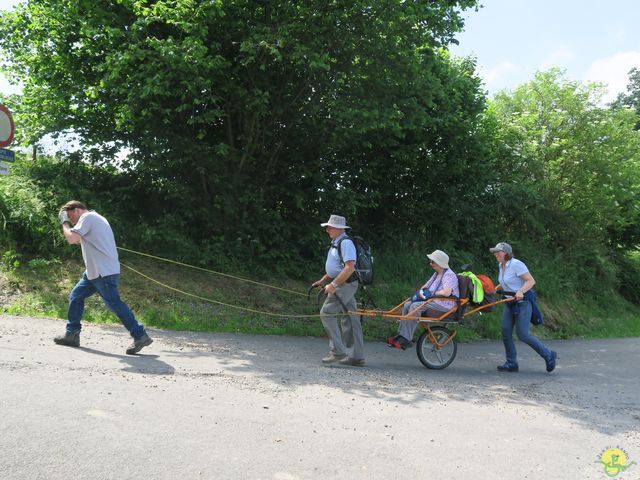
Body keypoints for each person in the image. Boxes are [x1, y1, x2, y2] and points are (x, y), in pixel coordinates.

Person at [53, 200, 153, 355]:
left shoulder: (88, 218)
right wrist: (68, 221)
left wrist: (64, 223)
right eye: (69, 219)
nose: (71, 220)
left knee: (115, 304)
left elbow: (71, 238)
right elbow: (77, 240)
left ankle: (140, 335)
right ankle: (72, 334)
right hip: (94, 272)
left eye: (71, 216)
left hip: (102, 272)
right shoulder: (94, 218)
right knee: (76, 295)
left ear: (78, 210)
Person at [490, 242, 556, 373]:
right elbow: (505, 283)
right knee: (505, 331)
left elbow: (531, 280)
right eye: (495, 252)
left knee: (523, 334)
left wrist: (520, 291)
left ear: (506, 254)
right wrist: (493, 289)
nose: (495, 254)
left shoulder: (516, 264)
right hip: (509, 302)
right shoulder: (501, 265)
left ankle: (549, 354)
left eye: (498, 252)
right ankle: (511, 363)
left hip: (523, 302)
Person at [312, 214, 365, 367]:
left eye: (329, 227)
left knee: (327, 312)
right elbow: (336, 266)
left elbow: (349, 267)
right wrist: (324, 280)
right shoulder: (336, 242)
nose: (327, 230)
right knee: (350, 317)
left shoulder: (345, 242)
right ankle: (356, 356)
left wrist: (333, 286)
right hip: (344, 283)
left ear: (337, 228)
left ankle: (337, 351)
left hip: (345, 284)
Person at [387, 249, 459, 350]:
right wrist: (422, 292)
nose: (431, 263)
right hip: (434, 301)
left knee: (415, 306)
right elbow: (426, 286)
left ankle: (406, 339)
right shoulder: (436, 274)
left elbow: (446, 292)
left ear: (440, 263)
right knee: (408, 304)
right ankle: (402, 335)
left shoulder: (449, 275)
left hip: (445, 305)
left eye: (433, 261)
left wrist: (434, 293)